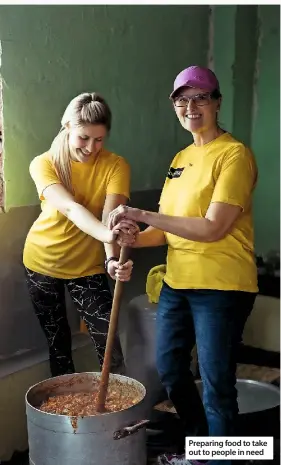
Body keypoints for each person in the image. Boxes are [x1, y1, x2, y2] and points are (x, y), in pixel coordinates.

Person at [108, 66, 258, 465]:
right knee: (171, 369)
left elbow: (211, 228)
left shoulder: (234, 155)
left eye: (201, 97)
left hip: (221, 287)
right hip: (178, 283)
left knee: (216, 384)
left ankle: (224, 458)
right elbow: (169, 230)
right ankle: (204, 448)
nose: (191, 107)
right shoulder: (181, 157)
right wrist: (132, 239)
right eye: (182, 99)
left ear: (217, 102)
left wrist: (142, 213)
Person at [23, 92, 137, 378]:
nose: (91, 147)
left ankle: (115, 415)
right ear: (67, 127)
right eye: (84, 138)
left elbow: (110, 216)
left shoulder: (116, 165)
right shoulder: (44, 163)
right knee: (58, 344)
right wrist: (108, 233)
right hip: (41, 262)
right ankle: (65, 421)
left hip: (87, 267)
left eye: (99, 139)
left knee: (109, 343)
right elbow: (71, 208)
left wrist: (111, 261)